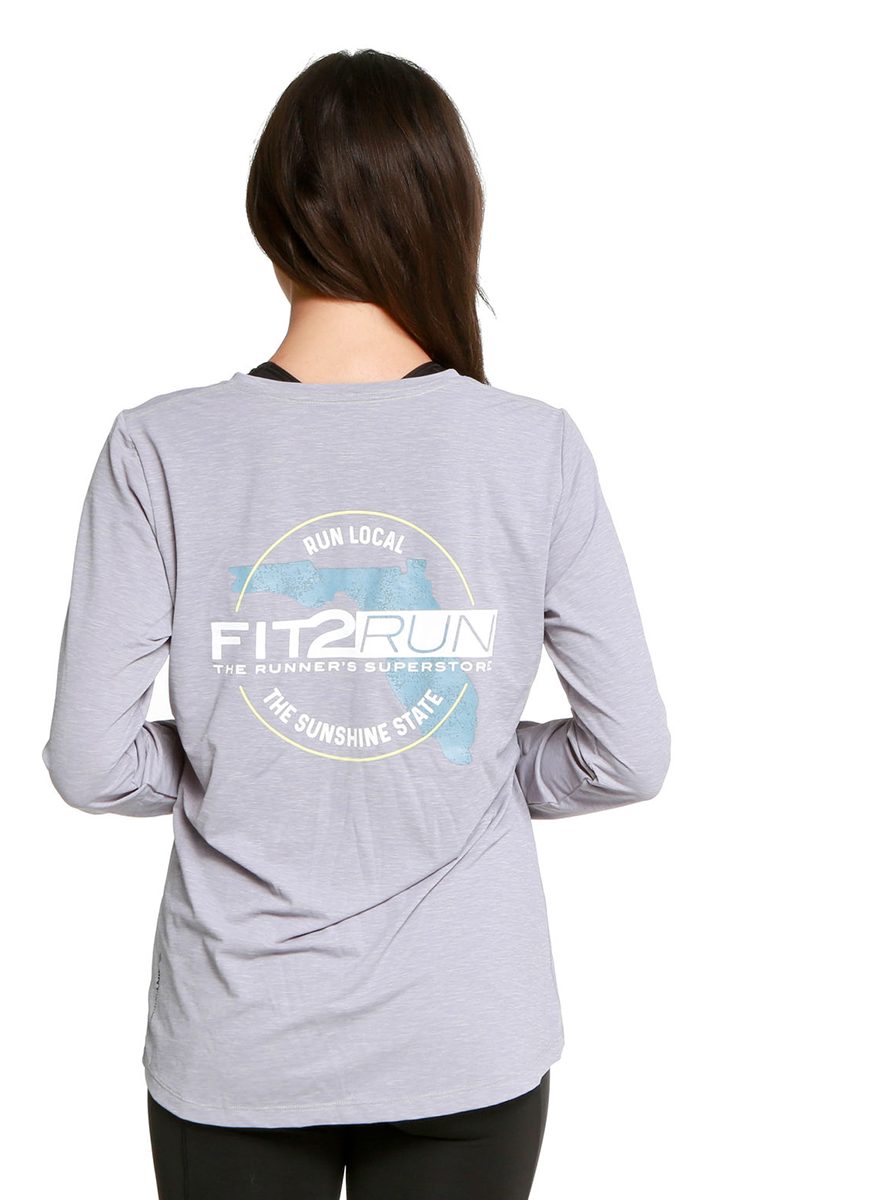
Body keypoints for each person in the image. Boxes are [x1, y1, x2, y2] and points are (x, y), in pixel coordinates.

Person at [41, 48, 670, 1200]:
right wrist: (476, 762)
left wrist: (232, 756)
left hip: (240, 1041)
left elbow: (90, 761)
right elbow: (628, 754)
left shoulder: (162, 447)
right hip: (465, 1033)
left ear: (268, 216)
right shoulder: (531, 448)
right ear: (450, 214)